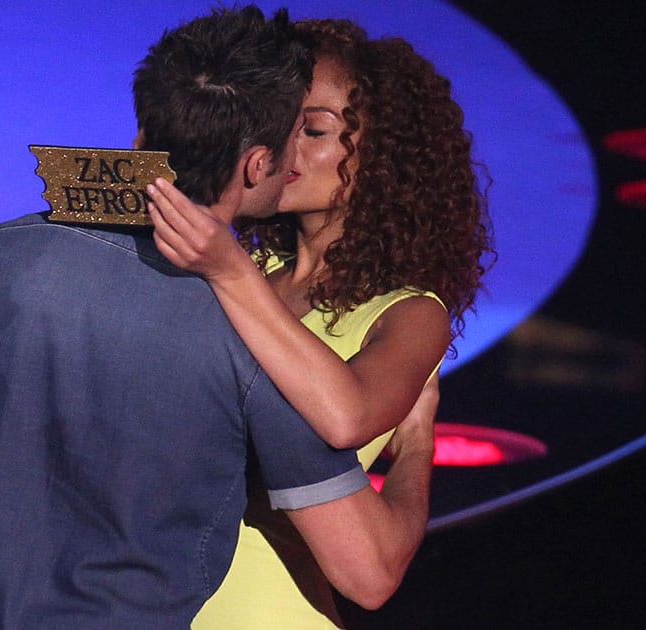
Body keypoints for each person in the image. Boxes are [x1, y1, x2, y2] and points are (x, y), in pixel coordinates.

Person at [0, 7, 436, 628]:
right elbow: (368, 571)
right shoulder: (255, 338)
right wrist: (419, 444)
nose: (299, 155)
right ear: (259, 164)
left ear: (141, 136)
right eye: (299, 131)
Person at [146, 17, 493, 628]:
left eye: (313, 129)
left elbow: (346, 415)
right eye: (278, 122)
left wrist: (417, 447)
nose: (287, 145)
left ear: (383, 155)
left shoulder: (408, 312)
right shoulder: (245, 271)